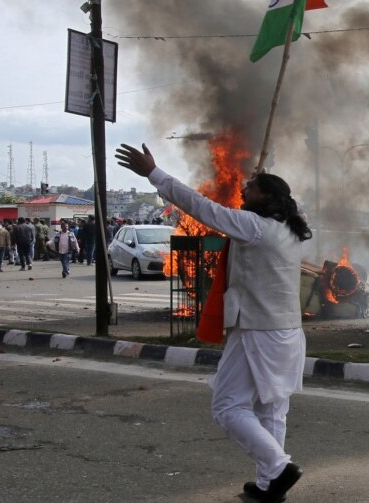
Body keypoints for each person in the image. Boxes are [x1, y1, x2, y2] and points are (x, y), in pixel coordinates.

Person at [115, 142, 309, 503]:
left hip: (258, 331)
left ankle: (279, 466)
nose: (241, 189)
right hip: (286, 332)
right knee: (271, 410)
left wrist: (154, 174)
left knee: (227, 405)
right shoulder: (291, 230)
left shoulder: (253, 227)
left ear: (265, 198)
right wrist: (259, 184)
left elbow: (201, 208)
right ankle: (270, 484)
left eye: (251, 187)